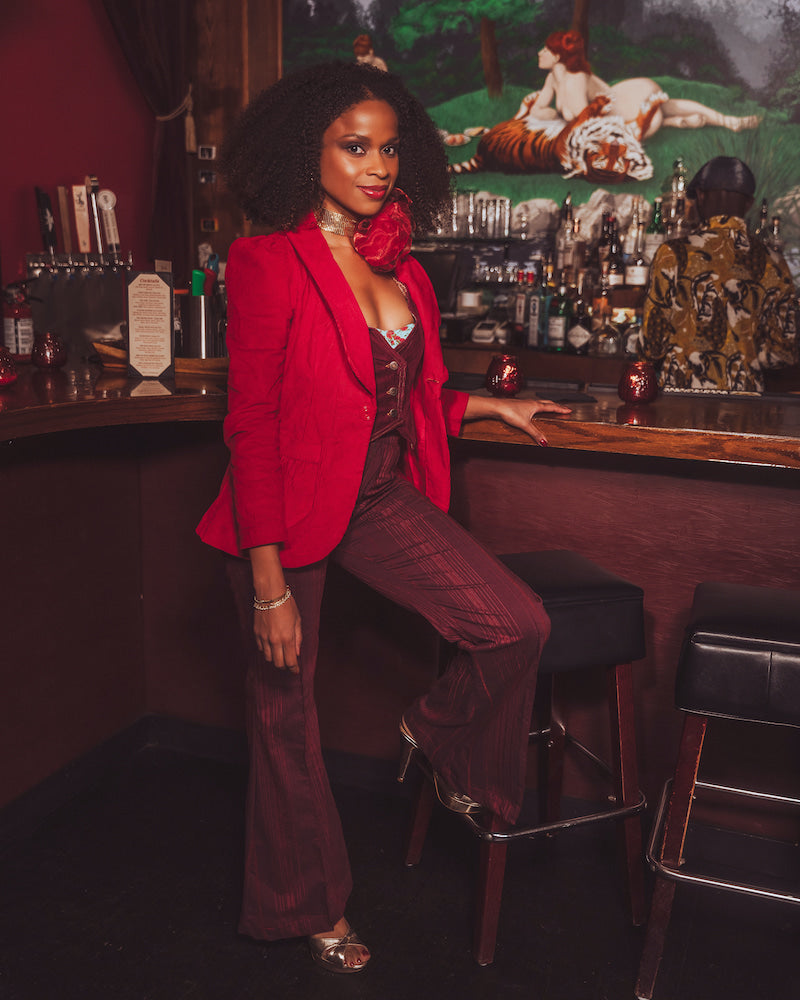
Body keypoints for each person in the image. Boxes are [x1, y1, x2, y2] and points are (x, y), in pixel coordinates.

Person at [196, 61, 572, 974]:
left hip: (377, 500)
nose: (376, 166)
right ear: (306, 151)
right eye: (353, 146)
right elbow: (250, 425)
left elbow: (395, 401)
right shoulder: (267, 262)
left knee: (516, 623)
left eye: (388, 147)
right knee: (286, 715)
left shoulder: (398, 265)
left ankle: (433, 738)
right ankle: (307, 906)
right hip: (283, 515)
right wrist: (267, 584)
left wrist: (488, 408)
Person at [639, 155, 799, 392]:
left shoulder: (673, 254)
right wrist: (748, 354)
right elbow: (784, 352)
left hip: (679, 398)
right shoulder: (773, 262)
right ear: (749, 203)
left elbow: (652, 345)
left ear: (700, 196)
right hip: (746, 400)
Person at [522, 30, 759, 140]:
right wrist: (546, 112)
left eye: (546, 50)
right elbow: (538, 109)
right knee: (668, 108)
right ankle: (678, 122)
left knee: (665, 107)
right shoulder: (553, 78)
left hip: (631, 104)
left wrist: (552, 119)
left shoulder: (575, 80)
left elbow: (589, 126)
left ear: (558, 57)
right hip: (625, 96)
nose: (539, 53)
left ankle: (727, 121)